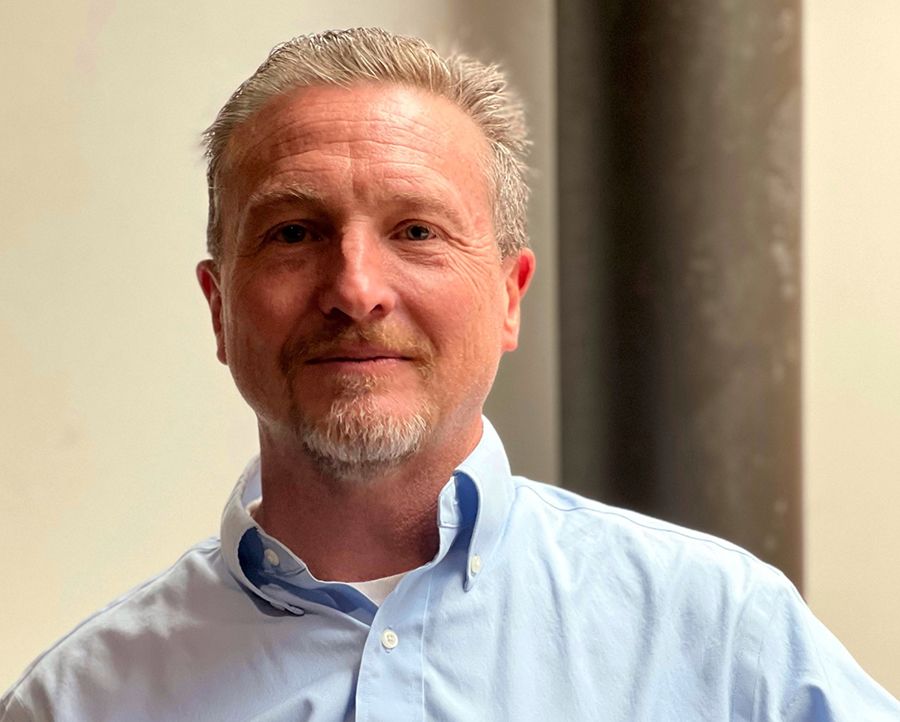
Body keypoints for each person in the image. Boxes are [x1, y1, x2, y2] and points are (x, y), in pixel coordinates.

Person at [2, 27, 897, 722]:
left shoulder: (721, 636)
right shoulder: (81, 701)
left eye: (417, 231)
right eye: (293, 233)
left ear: (510, 297)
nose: (355, 289)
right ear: (218, 310)